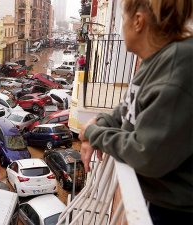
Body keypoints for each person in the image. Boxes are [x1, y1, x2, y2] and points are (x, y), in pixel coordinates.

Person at [78, 0, 193, 225]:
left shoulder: (178, 65)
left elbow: (146, 153)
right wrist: (102, 121)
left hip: (175, 214)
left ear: (138, 21)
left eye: (123, 18)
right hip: (158, 202)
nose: (122, 26)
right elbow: (127, 109)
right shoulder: (157, 61)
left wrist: (94, 134)